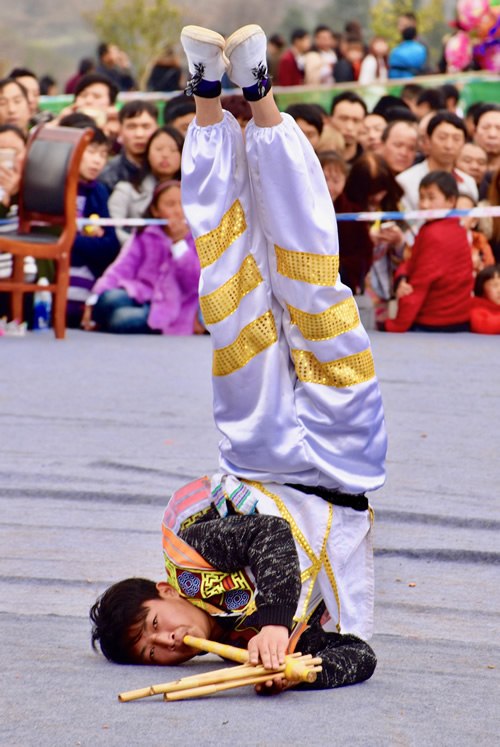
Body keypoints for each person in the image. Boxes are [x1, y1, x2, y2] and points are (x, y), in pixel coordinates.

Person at [90, 24, 387, 689]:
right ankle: (257, 93)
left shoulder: (194, 556)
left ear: (158, 591)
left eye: (150, 620)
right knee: (316, 286)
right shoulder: (244, 643)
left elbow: (269, 542)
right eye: (154, 651)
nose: (166, 638)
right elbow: (359, 654)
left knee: (232, 291)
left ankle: (211, 97)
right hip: (347, 460)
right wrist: (298, 669)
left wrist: (275, 619)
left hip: (264, 451)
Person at [84, 180, 200, 335]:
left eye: (183, 204)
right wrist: (93, 299)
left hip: (175, 307)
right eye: (170, 205)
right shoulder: (144, 234)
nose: (178, 211)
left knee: (121, 319)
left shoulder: (196, 238)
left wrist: (178, 243)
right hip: (143, 294)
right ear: (155, 210)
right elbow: (120, 269)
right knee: (108, 298)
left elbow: (195, 283)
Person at [385, 171, 473, 333]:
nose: (424, 204)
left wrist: (396, 326)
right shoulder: (452, 227)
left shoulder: (436, 234)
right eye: (422, 197)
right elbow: (412, 262)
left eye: (431, 198)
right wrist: (402, 277)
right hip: (457, 320)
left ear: (451, 201)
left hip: (436, 323)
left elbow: (419, 285)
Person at [64, 124, 120, 328]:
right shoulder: (54, 188)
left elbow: (110, 246)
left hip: (88, 274)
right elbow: (50, 238)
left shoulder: (99, 192)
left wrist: (72, 239)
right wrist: (84, 240)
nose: (98, 160)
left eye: (103, 154)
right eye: (92, 152)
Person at [109, 125, 183, 245]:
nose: (165, 155)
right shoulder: (126, 190)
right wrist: (141, 246)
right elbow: (112, 228)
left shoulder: (194, 194)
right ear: (147, 153)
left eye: (173, 150)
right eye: (159, 149)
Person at [396, 111, 478, 211]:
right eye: (442, 138)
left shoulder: (468, 183)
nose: (449, 145)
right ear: (428, 140)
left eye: (456, 139)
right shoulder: (405, 181)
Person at [98, 100, 158, 194]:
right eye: (131, 127)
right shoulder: (107, 175)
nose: (139, 134)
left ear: (157, 128)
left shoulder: (169, 169)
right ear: (120, 130)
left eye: (146, 127)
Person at [330, 91, 367, 164]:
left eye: (356, 121)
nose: (349, 127)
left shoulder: (368, 164)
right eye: (343, 119)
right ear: (329, 120)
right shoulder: (314, 159)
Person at [470, 265, 500, 334]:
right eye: (494, 285)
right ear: (482, 289)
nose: (499, 290)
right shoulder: (477, 308)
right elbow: (484, 326)